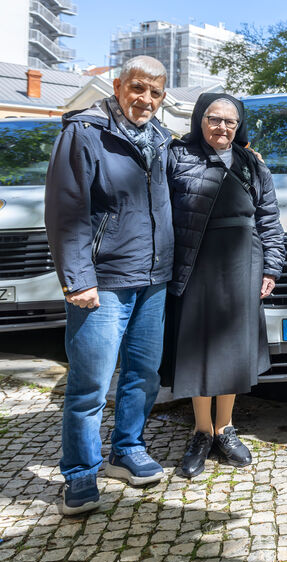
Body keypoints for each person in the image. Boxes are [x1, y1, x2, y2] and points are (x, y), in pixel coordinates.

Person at [45, 56, 173, 515]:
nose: (145, 99)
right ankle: (80, 472)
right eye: (138, 88)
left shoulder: (161, 138)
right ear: (118, 86)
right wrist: (78, 280)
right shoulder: (84, 133)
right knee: (90, 385)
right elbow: (66, 211)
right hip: (102, 282)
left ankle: (127, 449)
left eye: (155, 92)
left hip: (153, 278)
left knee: (143, 376)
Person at [165, 93, 285, 478]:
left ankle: (225, 428)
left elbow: (270, 220)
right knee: (199, 348)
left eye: (230, 121)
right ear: (200, 120)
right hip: (196, 261)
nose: (222, 127)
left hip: (243, 262)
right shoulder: (177, 157)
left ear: (239, 125)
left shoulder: (253, 164)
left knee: (233, 348)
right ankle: (201, 431)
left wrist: (271, 268)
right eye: (214, 119)